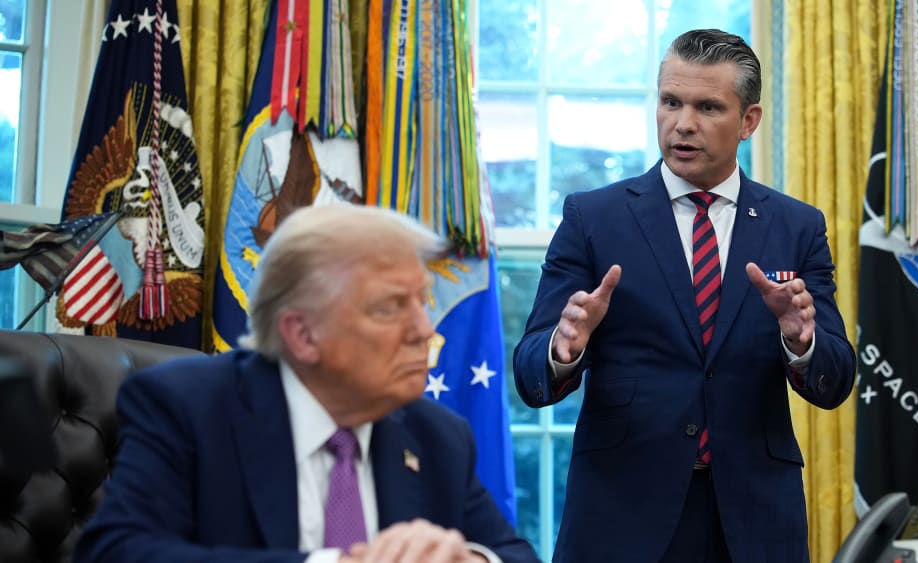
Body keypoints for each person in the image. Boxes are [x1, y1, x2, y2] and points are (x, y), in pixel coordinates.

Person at [513, 29, 856, 563]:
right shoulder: (593, 218)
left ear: (749, 121)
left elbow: (835, 382)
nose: (683, 123)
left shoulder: (797, 226)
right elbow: (530, 374)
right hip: (622, 513)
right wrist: (565, 346)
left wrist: (802, 340)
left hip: (754, 518)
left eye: (708, 106)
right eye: (671, 101)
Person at [75, 204, 540, 563]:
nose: (424, 329)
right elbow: (117, 552)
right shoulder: (190, 407)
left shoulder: (436, 434)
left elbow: (514, 555)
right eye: (389, 307)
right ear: (302, 334)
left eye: (422, 302)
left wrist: (467, 558)